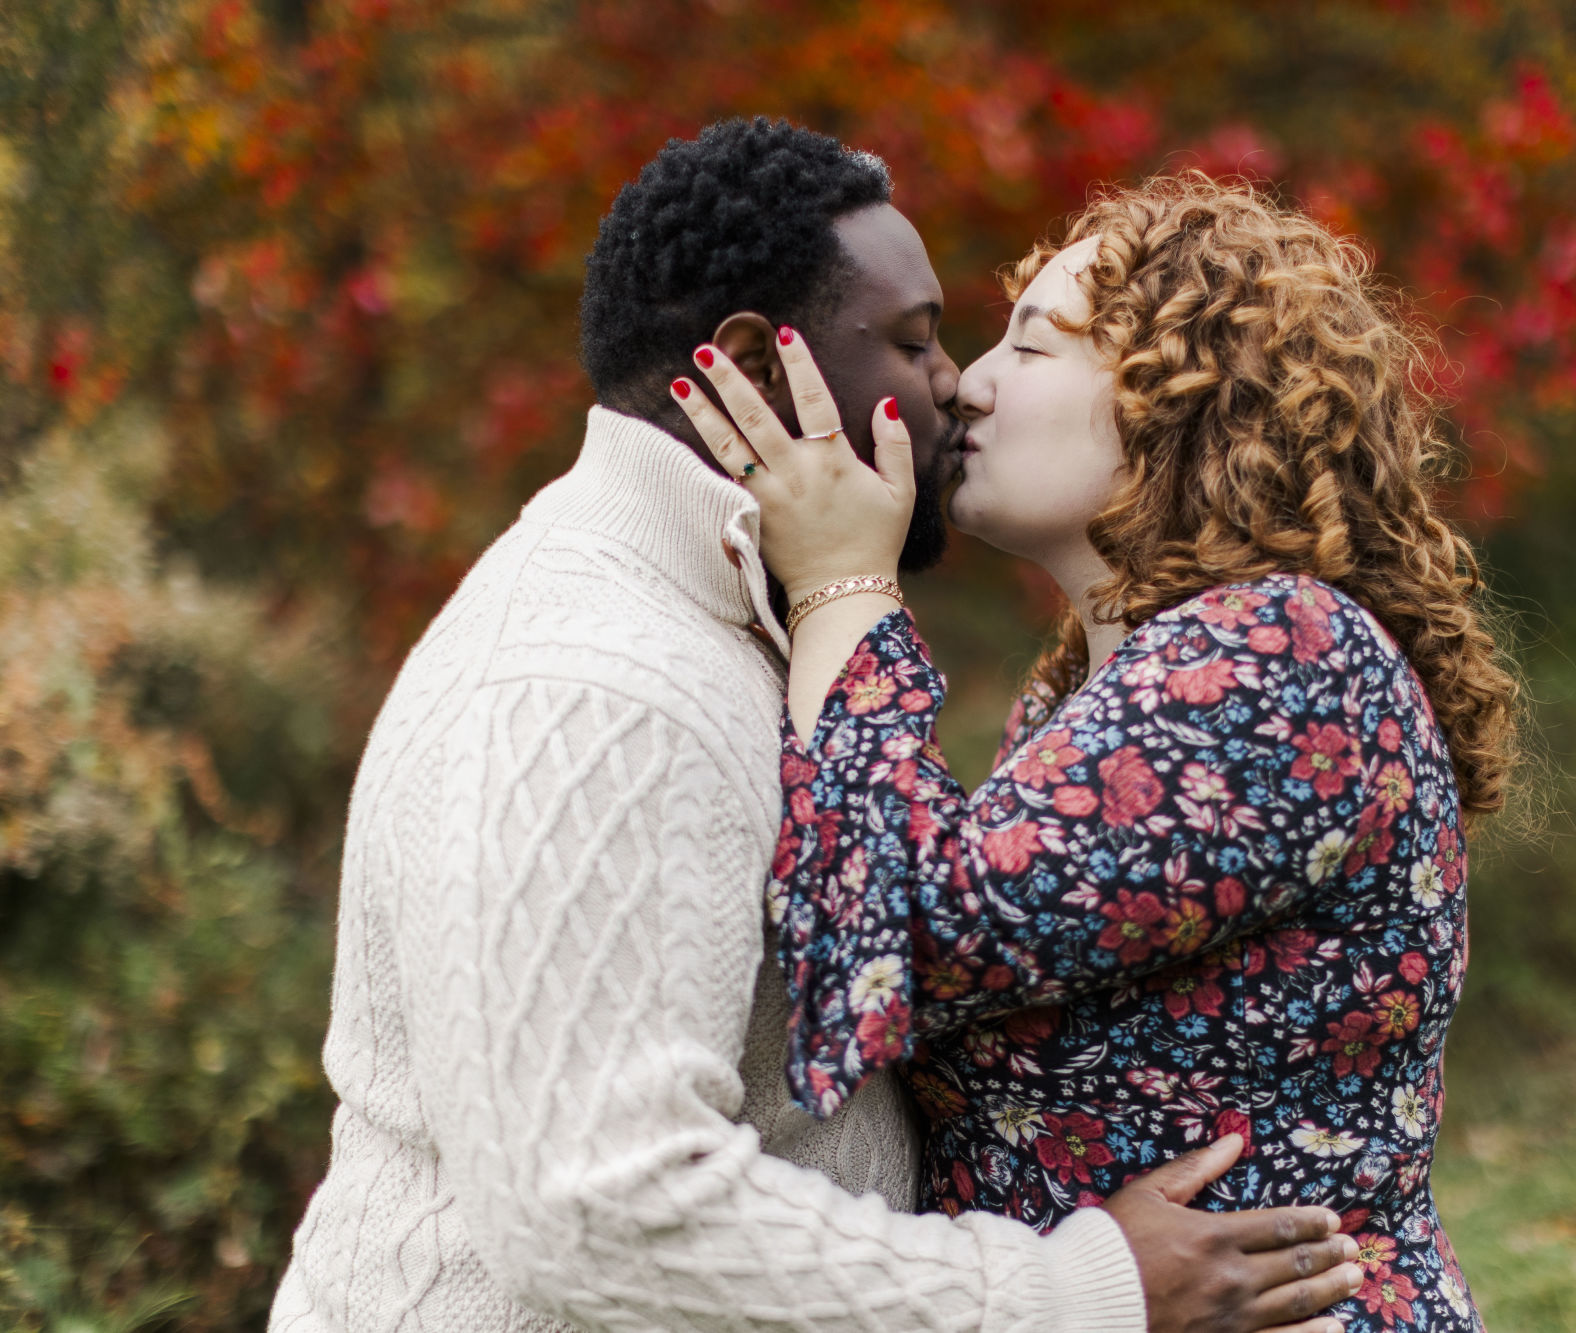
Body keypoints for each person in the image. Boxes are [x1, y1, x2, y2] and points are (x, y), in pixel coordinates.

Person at [271, 121, 1364, 1332]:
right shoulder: (593, 685)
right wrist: (1075, 1292)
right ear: (753, 365)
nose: (954, 381)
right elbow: (603, 1214)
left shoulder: (740, 633)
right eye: (911, 340)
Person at [671, 174, 1521, 1332]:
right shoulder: (1094, 689)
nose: (964, 384)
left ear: (1179, 394)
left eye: (1029, 347)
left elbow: (906, 936)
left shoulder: (1281, 654)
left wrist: (841, 582)